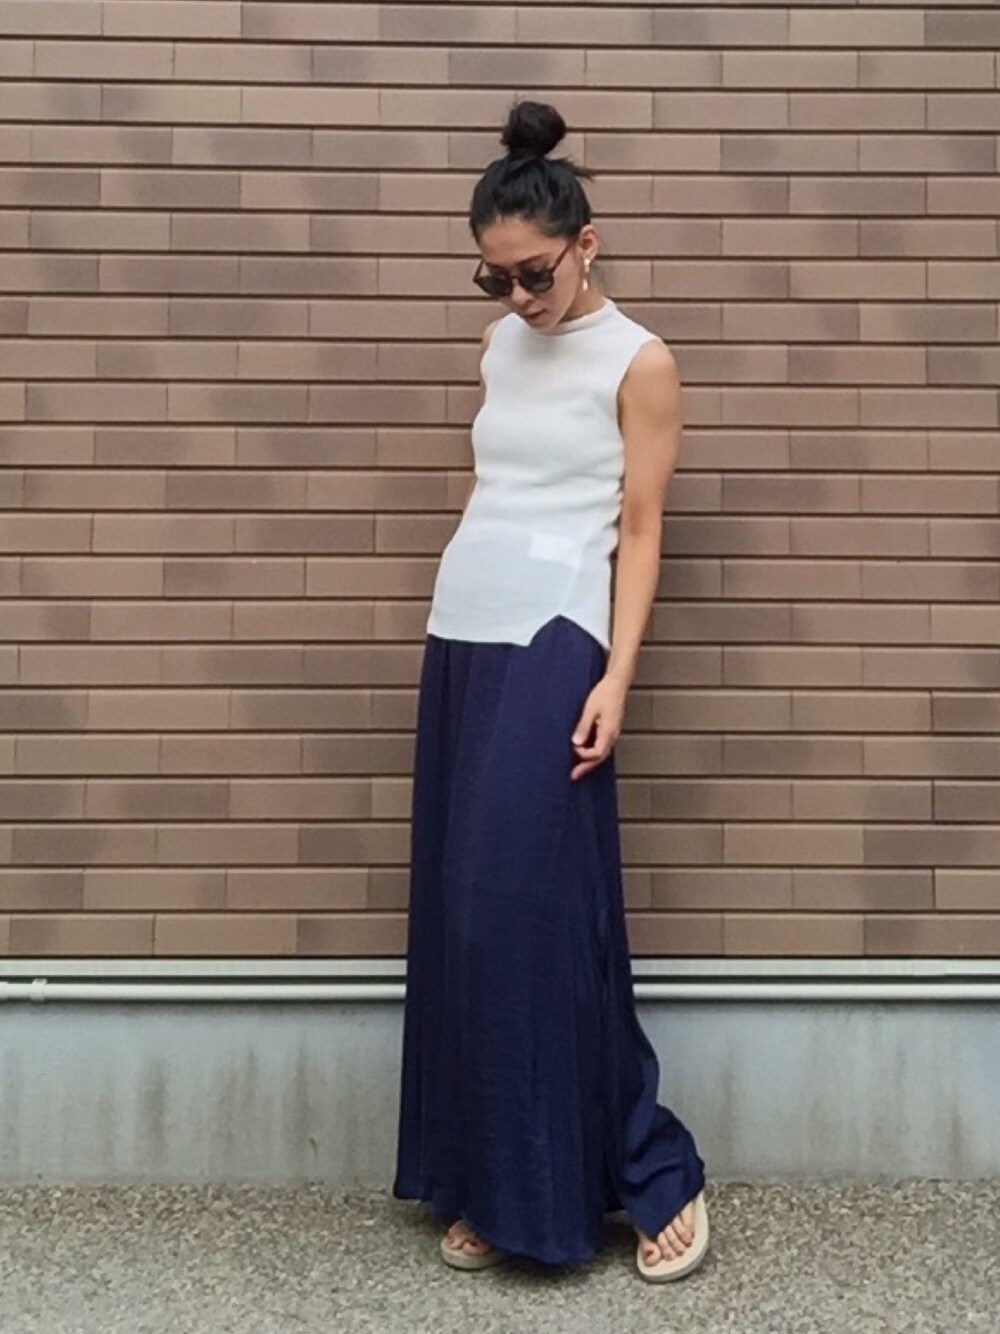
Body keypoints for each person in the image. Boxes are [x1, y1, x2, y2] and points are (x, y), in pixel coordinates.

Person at [391, 97, 709, 1282]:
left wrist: (616, 676)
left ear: (586, 242)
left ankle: (650, 1167)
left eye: (534, 272)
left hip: (557, 634)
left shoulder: (639, 360)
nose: (518, 296)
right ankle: (487, 1176)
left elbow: (641, 525)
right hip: (461, 632)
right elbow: (500, 489)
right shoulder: (500, 345)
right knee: (462, 916)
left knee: (526, 909)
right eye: (496, 278)